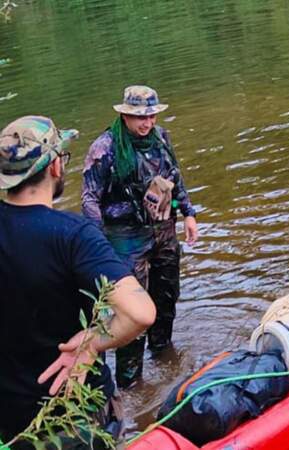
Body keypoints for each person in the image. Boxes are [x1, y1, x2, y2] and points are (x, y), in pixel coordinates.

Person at [0, 116, 156, 443]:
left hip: (10, 419)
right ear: (55, 165)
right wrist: (91, 343)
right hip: (76, 414)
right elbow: (141, 313)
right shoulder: (73, 235)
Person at [82, 85, 199, 388]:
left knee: (167, 296)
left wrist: (189, 213)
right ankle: (129, 382)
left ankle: (163, 356)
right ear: (124, 115)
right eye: (139, 118)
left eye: (151, 116)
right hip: (125, 238)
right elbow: (89, 199)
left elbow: (175, 177)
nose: (146, 123)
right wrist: (96, 242)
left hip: (163, 231)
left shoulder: (161, 138)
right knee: (131, 314)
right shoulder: (105, 148)